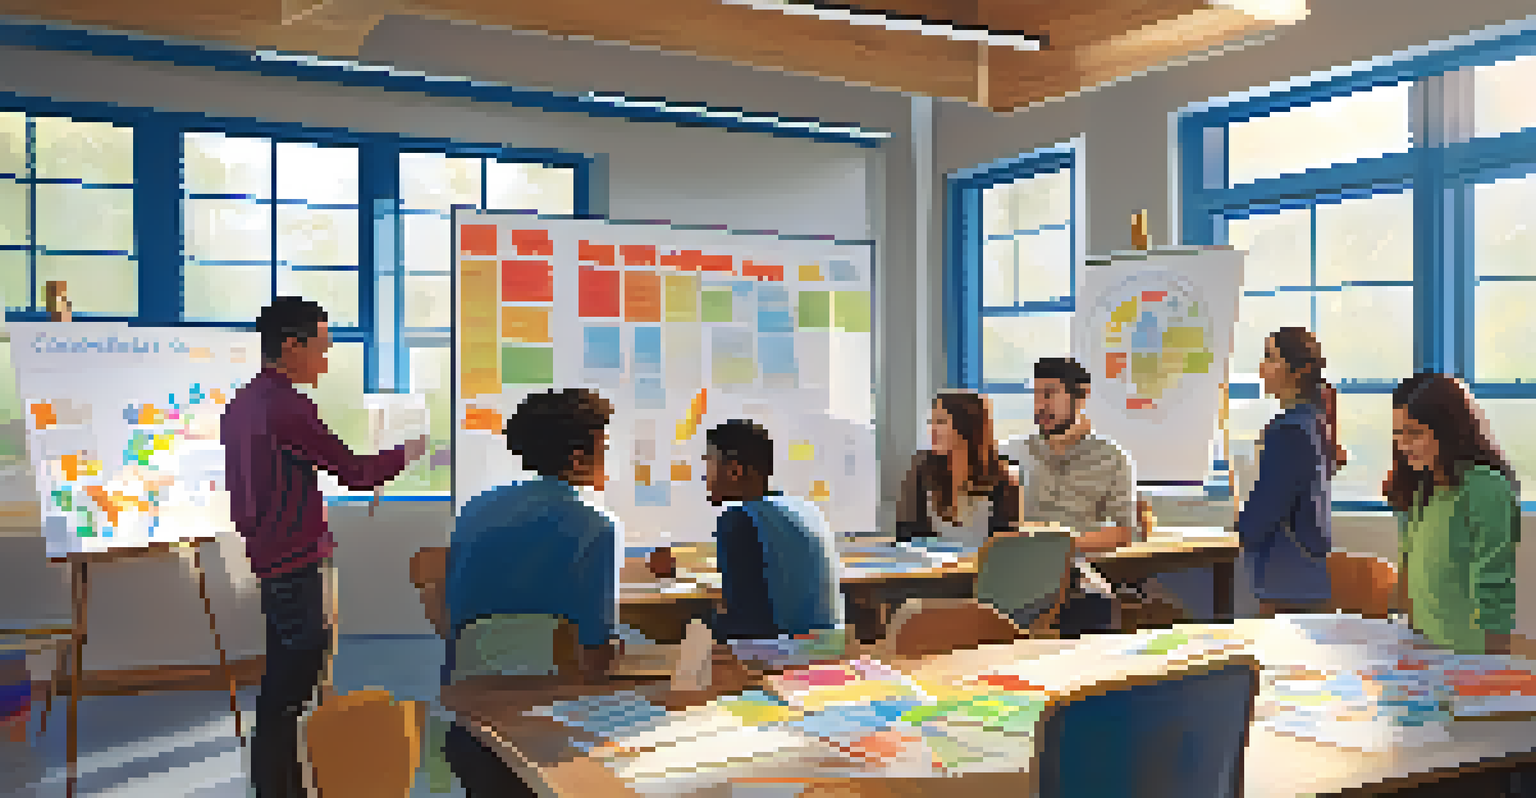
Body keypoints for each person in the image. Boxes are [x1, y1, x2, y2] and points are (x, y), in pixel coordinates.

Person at [222, 297, 428, 798]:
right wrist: (412, 451)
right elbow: (356, 472)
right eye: (321, 347)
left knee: (285, 681)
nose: (326, 360)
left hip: (271, 557)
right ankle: (282, 788)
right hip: (295, 560)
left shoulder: (244, 403)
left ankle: (280, 783)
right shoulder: (287, 407)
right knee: (293, 685)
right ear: (291, 346)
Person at [440, 387, 621, 797]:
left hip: (470, 723)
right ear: (578, 458)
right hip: (551, 732)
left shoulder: (476, 508)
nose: (609, 454)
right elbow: (594, 656)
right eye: (604, 445)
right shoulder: (595, 524)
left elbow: (454, 615)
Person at [998, 357, 1142, 636]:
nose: (1040, 406)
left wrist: (1054, 544)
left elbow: (1123, 532)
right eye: (1036, 395)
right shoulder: (1010, 453)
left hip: (1073, 571)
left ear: (1081, 396)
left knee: (1092, 600)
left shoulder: (1111, 458)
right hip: (1013, 569)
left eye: (1050, 394)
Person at [1386, 373, 1520, 655]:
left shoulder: (1486, 487)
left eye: (1415, 433)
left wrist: (1493, 664)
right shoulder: (1422, 485)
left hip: (1468, 656)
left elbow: (1493, 582)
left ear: (1447, 430)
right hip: (1424, 651)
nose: (1404, 445)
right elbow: (1410, 570)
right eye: (1398, 434)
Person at [702, 419, 843, 644]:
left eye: (708, 463)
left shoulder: (738, 519)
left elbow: (745, 621)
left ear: (734, 470)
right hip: (828, 652)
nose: (704, 476)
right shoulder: (809, 511)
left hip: (778, 658)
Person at [1237, 327, 1340, 617]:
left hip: (1287, 577)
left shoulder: (1290, 430)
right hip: (1303, 573)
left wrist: (1238, 532)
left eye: (1271, 357)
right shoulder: (1313, 421)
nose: (1262, 367)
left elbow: (1267, 506)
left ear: (1296, 370)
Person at [896, 391, 1020, 547]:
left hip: (982, 570)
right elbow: (906, 538)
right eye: (930, 422)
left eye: (940, 422)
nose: (932, 429)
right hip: (932, 570)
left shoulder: (1002, 482)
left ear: (965, 425)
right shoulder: (920, 472)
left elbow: (1006, 548)